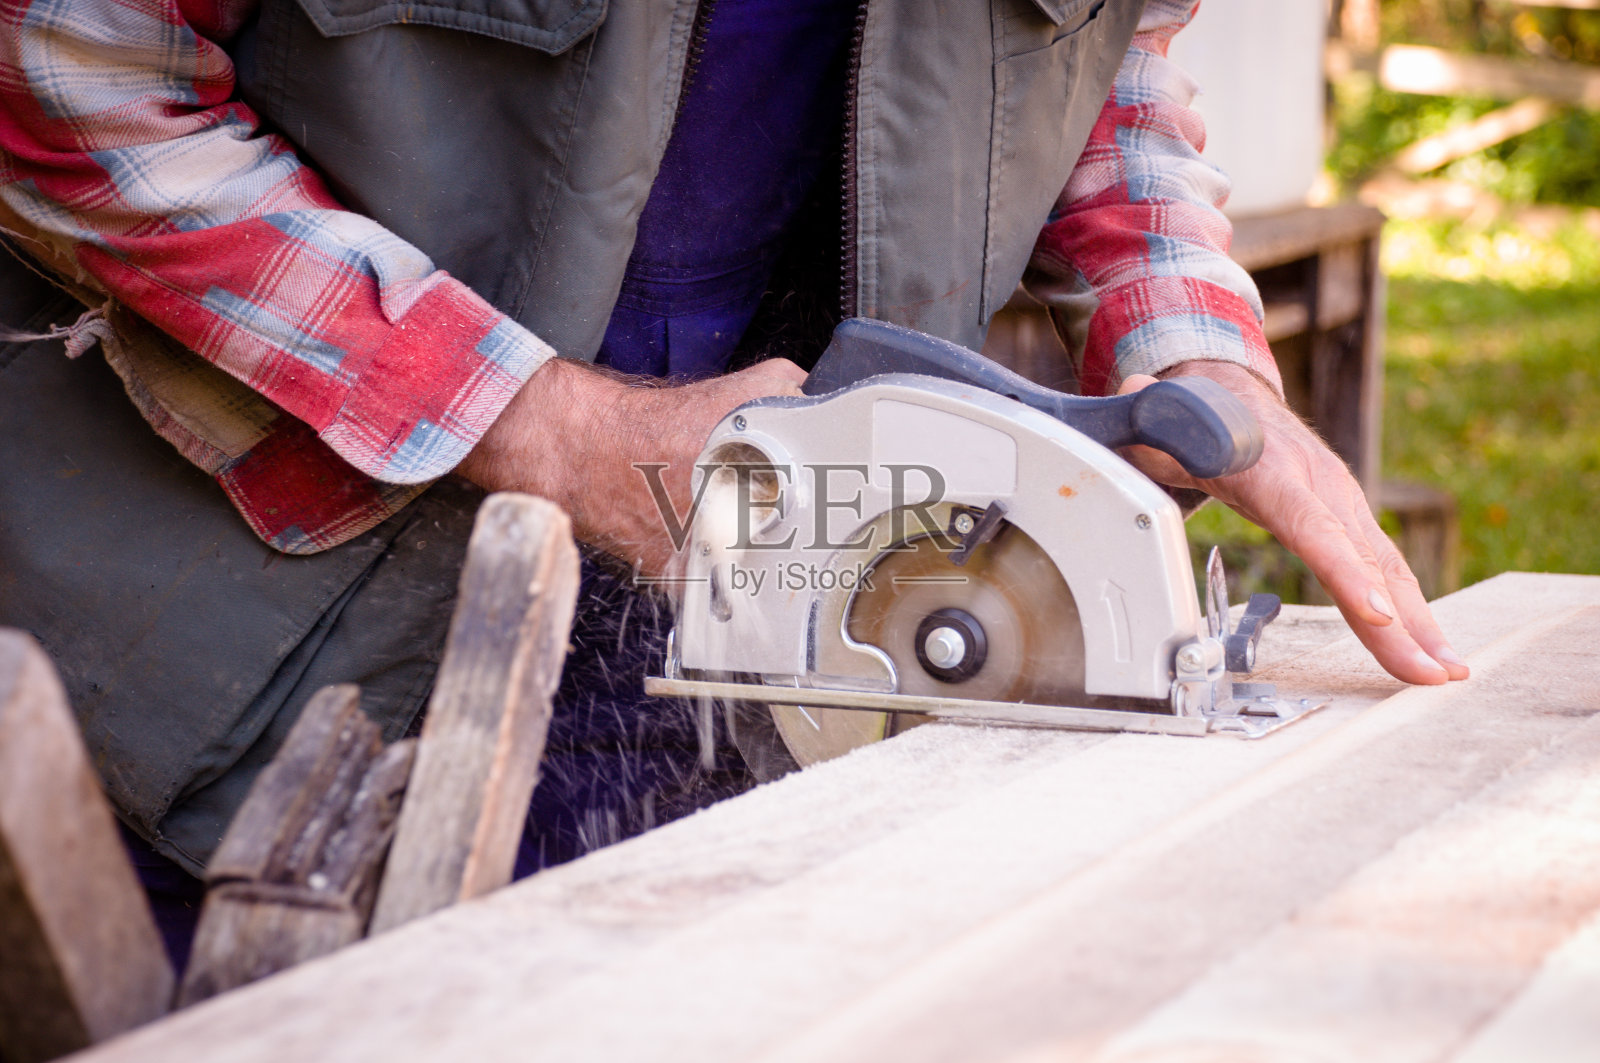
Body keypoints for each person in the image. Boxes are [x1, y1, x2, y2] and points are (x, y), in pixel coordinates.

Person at [0, 0, 1467, 955]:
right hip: (259, 637)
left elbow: (1106, 78)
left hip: (803, 628)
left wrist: (1204, 358)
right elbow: (69, 79)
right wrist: (543, 425)